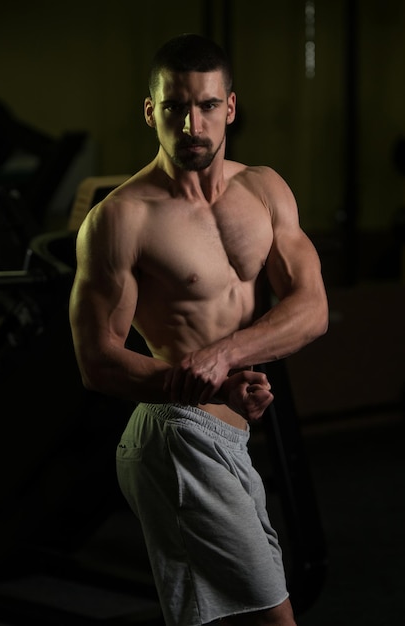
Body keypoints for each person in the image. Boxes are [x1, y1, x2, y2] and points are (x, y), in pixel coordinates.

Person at [69, 33, 328, 626]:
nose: (192, 124)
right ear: (150, 111)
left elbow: (311, 308)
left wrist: (227, 364)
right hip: (177, 437)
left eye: (207, 105)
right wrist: (213, 382)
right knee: (272, 618)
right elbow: (98, 361)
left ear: (230, 107)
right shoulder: (121, 219)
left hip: (230, 433)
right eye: (174, 108)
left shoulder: (264, 190)